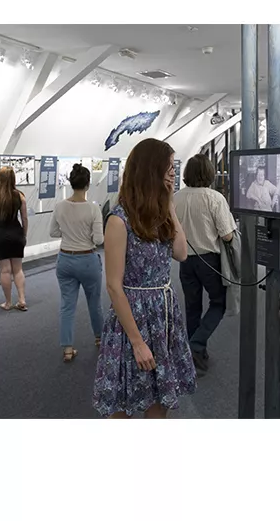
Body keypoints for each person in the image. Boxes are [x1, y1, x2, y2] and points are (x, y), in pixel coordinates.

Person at [93, 138, 196, 419]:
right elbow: (114, 286)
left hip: (162, 316)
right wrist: (137, 342)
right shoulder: (119, 220)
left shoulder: (161, 214)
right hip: (132, 319)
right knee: (123, 401)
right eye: (168, 167)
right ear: (151, 170)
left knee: (158, 401)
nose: (173, 172)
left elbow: (181, 253)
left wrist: (171, 205)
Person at [174, 154, 237, 375]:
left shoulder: (176, 198)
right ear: (209, 173)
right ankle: (196, 345)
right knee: (219, 303)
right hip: (209, 260)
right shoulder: (215, 198)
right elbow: (227, 235)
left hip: (184, 260)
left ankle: (196, 356)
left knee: (192, 307)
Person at [50, 164, 104, 363]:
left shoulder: (60, 206)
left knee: (67, 305)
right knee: (94, 302)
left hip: (65, 260)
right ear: (88, 185)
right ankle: (99, 338)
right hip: (87, 260)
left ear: (71, 183)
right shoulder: (93, 209)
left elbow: (53, 232)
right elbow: (98, 240)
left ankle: (67, 348)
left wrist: (68, 232)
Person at [0, 166, 28, 311]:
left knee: (5, 271)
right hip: (16, 233)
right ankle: (22, 299)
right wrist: (24, 234)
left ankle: (8, 302)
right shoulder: (20, 195)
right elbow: (25, 218)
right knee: (18, 269)